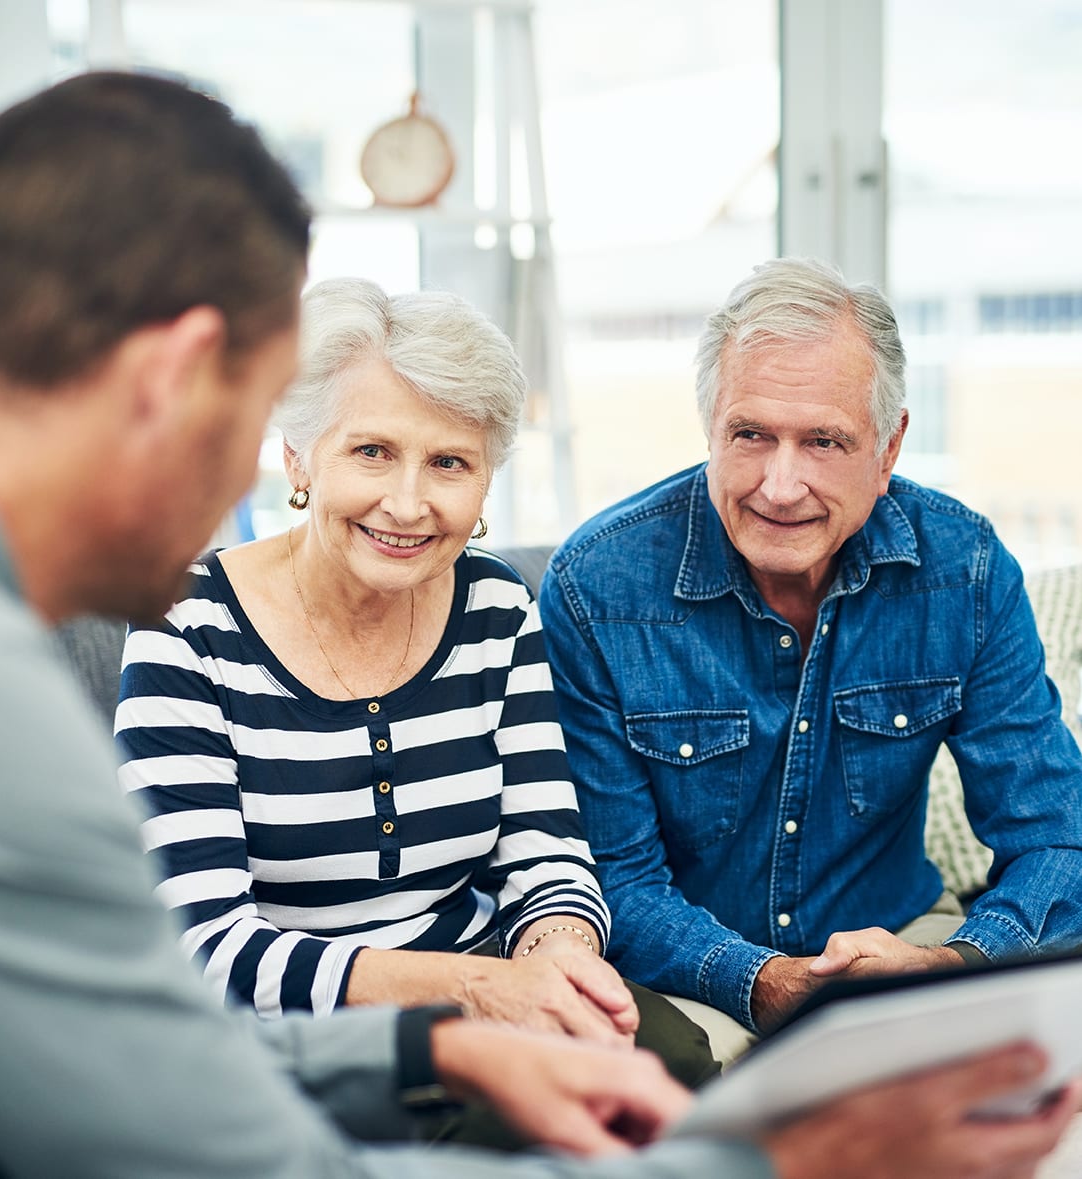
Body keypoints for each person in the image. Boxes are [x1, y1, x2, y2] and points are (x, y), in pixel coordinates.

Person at [0, 72, 1077, 1179]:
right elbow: (224, 1140)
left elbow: (138, 1055)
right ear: (178, 376)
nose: (251, 494)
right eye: (276, 425)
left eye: (449, 461)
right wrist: (761, 1161)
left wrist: (437, 1042)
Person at [114, 275, 717, 1095]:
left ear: (484, 484)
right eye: (371, 451)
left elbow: (548, 850)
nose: (407, 503)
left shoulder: (495, 604)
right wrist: (468, 987)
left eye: (448, 462)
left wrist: (558, 958)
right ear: (297, 456)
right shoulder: (183, 622)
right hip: (288, 1037)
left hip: (487, 989)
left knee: (665, 1064)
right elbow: (203, 942)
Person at [537, 255, 1082, 1064]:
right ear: (709, 427)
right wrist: (760, 978)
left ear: (889, 446)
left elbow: (1054, 837)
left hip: (904, 943)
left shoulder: (962, 569)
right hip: (681, 978)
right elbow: (613, 878)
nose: (780, 485)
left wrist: (951, 964)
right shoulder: (596, 587)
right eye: (750, 434)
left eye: (823, 441)